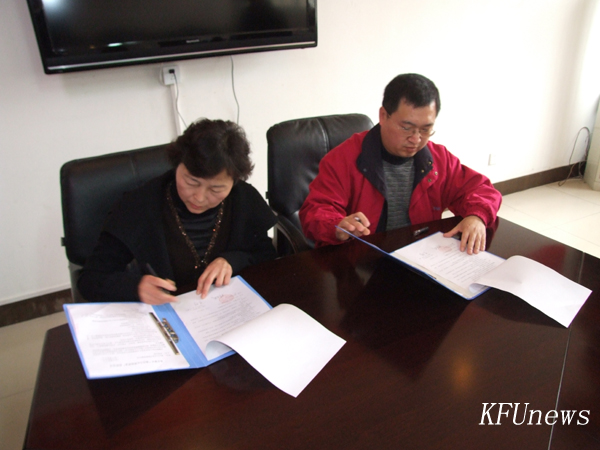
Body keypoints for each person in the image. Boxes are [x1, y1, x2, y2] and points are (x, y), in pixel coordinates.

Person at [78, 119, 278, 304]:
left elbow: (266, 255)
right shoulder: (140, 205)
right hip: (168, 312)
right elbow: (91, 278)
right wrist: (135, 287)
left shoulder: (243, 199)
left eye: (216, 189)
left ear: (234, 181)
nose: (199, 197)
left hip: (226, 307)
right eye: (191, 182)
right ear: (177, 165)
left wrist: (232, 260)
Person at [299, 73, 502, 254]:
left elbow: (482, 190)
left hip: (420, 256)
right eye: (406, 128)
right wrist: (338, 226)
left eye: (425, 129)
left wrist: (476, 217)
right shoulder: (343, 158)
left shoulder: (438, 158)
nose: (416, 139)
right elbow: (315, 211)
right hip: (361, 260)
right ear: (383, 116)